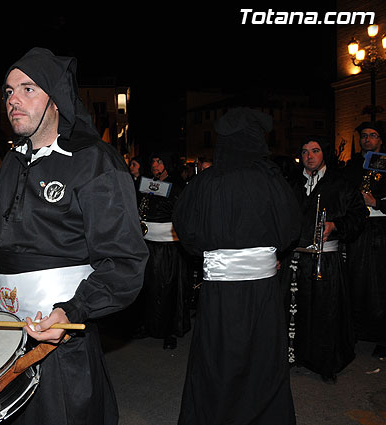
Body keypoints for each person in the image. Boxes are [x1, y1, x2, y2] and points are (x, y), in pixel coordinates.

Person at [0, 47, 148, 425]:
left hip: (59, 334)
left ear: (56, 99)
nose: (13, 100)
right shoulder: (13, 161)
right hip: (5, 333)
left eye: (27, 89)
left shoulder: (95, 161)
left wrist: (72, 311)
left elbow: (124, 262)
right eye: (9, 92)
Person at [173, 107, 300, 424]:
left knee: (217, 358)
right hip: (261, 292)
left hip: (219, 291)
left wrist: (214, 256)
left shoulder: (205, 183)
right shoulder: (272, 181)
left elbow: (184, 228)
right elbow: (290, 230)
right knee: (262, 360)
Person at [283, 137, 366, 383]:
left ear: (324, 154)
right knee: (293, 311)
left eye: (315, 151)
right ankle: (293, 356)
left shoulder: (341, 185)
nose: (309, 156)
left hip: (325, 259)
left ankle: (324, 362)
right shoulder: (292, 183)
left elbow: (358, 216)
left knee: (324, 312)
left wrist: (336, 225)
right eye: (305, 151)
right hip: (295, 258)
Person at [131, 153, 190, 350]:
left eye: (159, 161)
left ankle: (170, 331)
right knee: (148, 288)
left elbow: (182, 214)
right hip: (148, 245)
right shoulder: (148, 184)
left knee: (168, 289)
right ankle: (148, 325)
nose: (154, 165)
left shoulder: (176, 186)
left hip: (168, 247)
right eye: (153, 161)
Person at [343, 121, 386, 358]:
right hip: (359, 230)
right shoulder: (354, 165)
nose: (367, 139)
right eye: (364, 136)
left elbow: (375, 196)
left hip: (380, 229)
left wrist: (377, 203)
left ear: (380, 140)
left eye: (373, 135)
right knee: (357, 282)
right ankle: (358, 331)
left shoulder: (382, 161)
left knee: (379, 284)